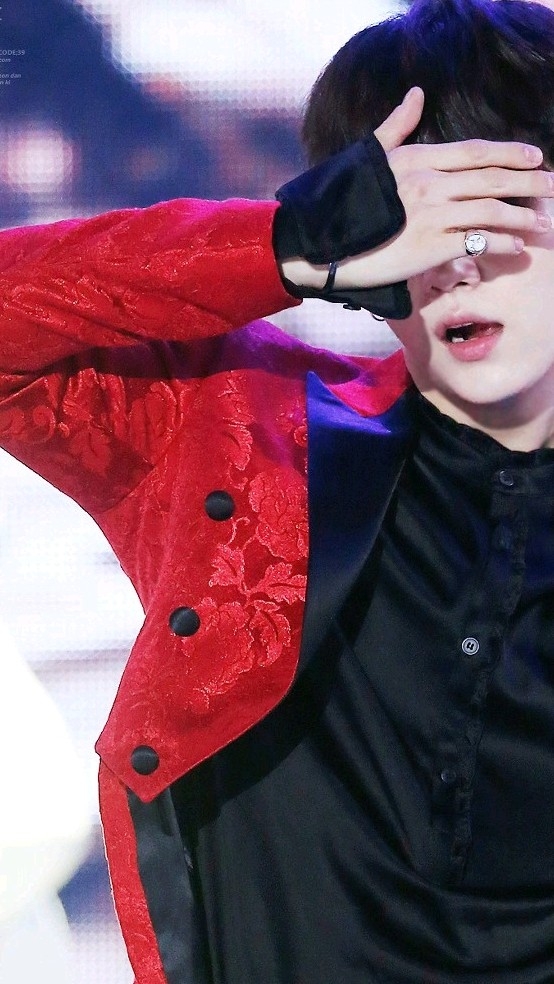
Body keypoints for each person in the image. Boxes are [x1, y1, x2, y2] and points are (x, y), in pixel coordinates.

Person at [2, 0, 554, 980]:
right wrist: (289, 243)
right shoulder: (231, 430)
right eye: (409, 212)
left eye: (488, 207)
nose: (453, 262)